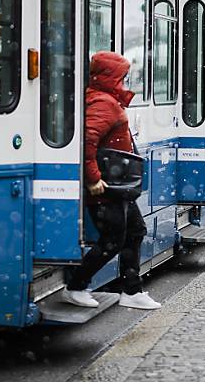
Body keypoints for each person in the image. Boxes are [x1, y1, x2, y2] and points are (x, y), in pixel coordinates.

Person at [61, 51, 161, 311]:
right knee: (112, 240)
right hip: (106, 187)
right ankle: (76, 285)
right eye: (123, 77)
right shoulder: (103, 103)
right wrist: (93, 179)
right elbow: (87, 142)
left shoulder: (105, 99)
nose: (125, 82)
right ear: (111, 77)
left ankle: (132, 290)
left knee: (135, 231)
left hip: (116, 186)